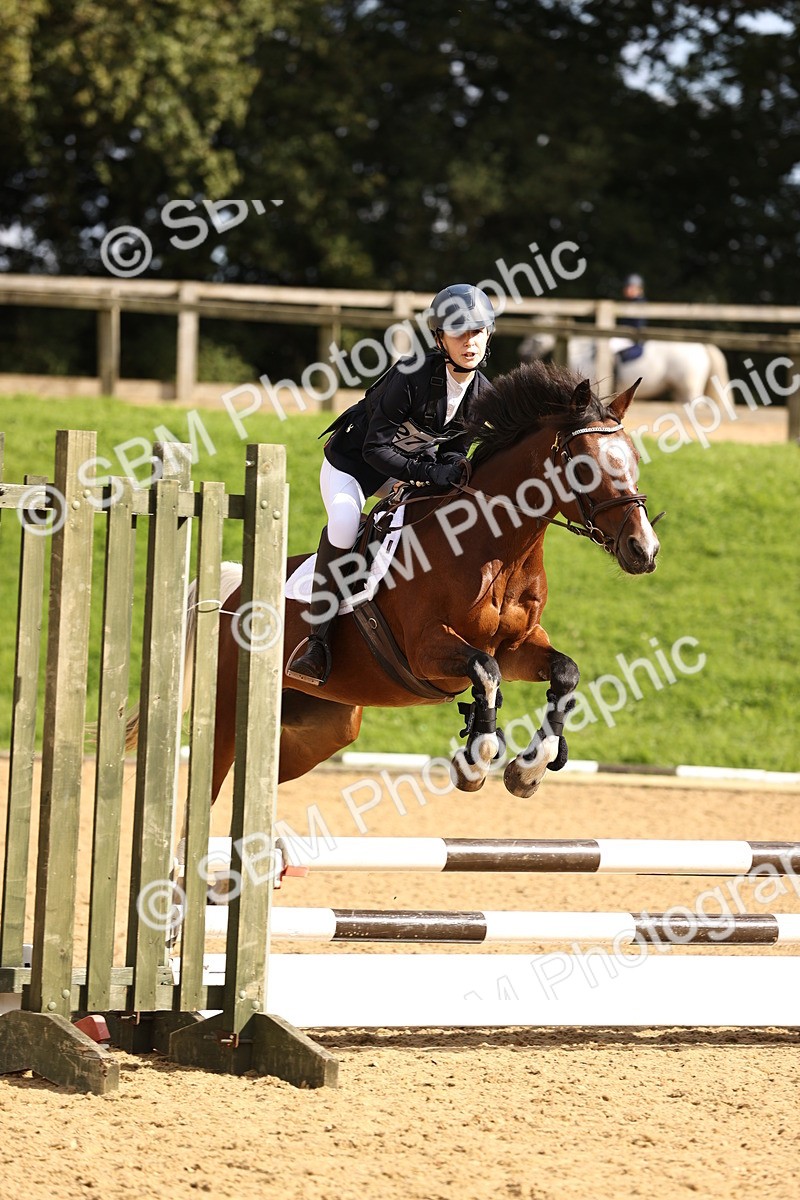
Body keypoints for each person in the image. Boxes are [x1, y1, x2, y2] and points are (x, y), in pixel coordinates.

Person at [286, 283, 495, 686]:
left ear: (489, 335)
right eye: (459, 332)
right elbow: (374, 449)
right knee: (345, 524)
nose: (470, 342)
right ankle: (317, 641)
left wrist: (450, 469)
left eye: (478, 331)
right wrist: (428, 473)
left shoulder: (483, 394)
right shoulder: (411, 375)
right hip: (354, 465)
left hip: (406, 470)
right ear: (440, 338)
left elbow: (454, 449)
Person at [610, 273, 647, 364]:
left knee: (610, 345)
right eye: (627, 287)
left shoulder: (639, 303)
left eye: (631, 287)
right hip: (625, 335)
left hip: (632, 338)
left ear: (639, 289)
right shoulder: (629, 302)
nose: (628, 290)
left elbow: (636, 326)